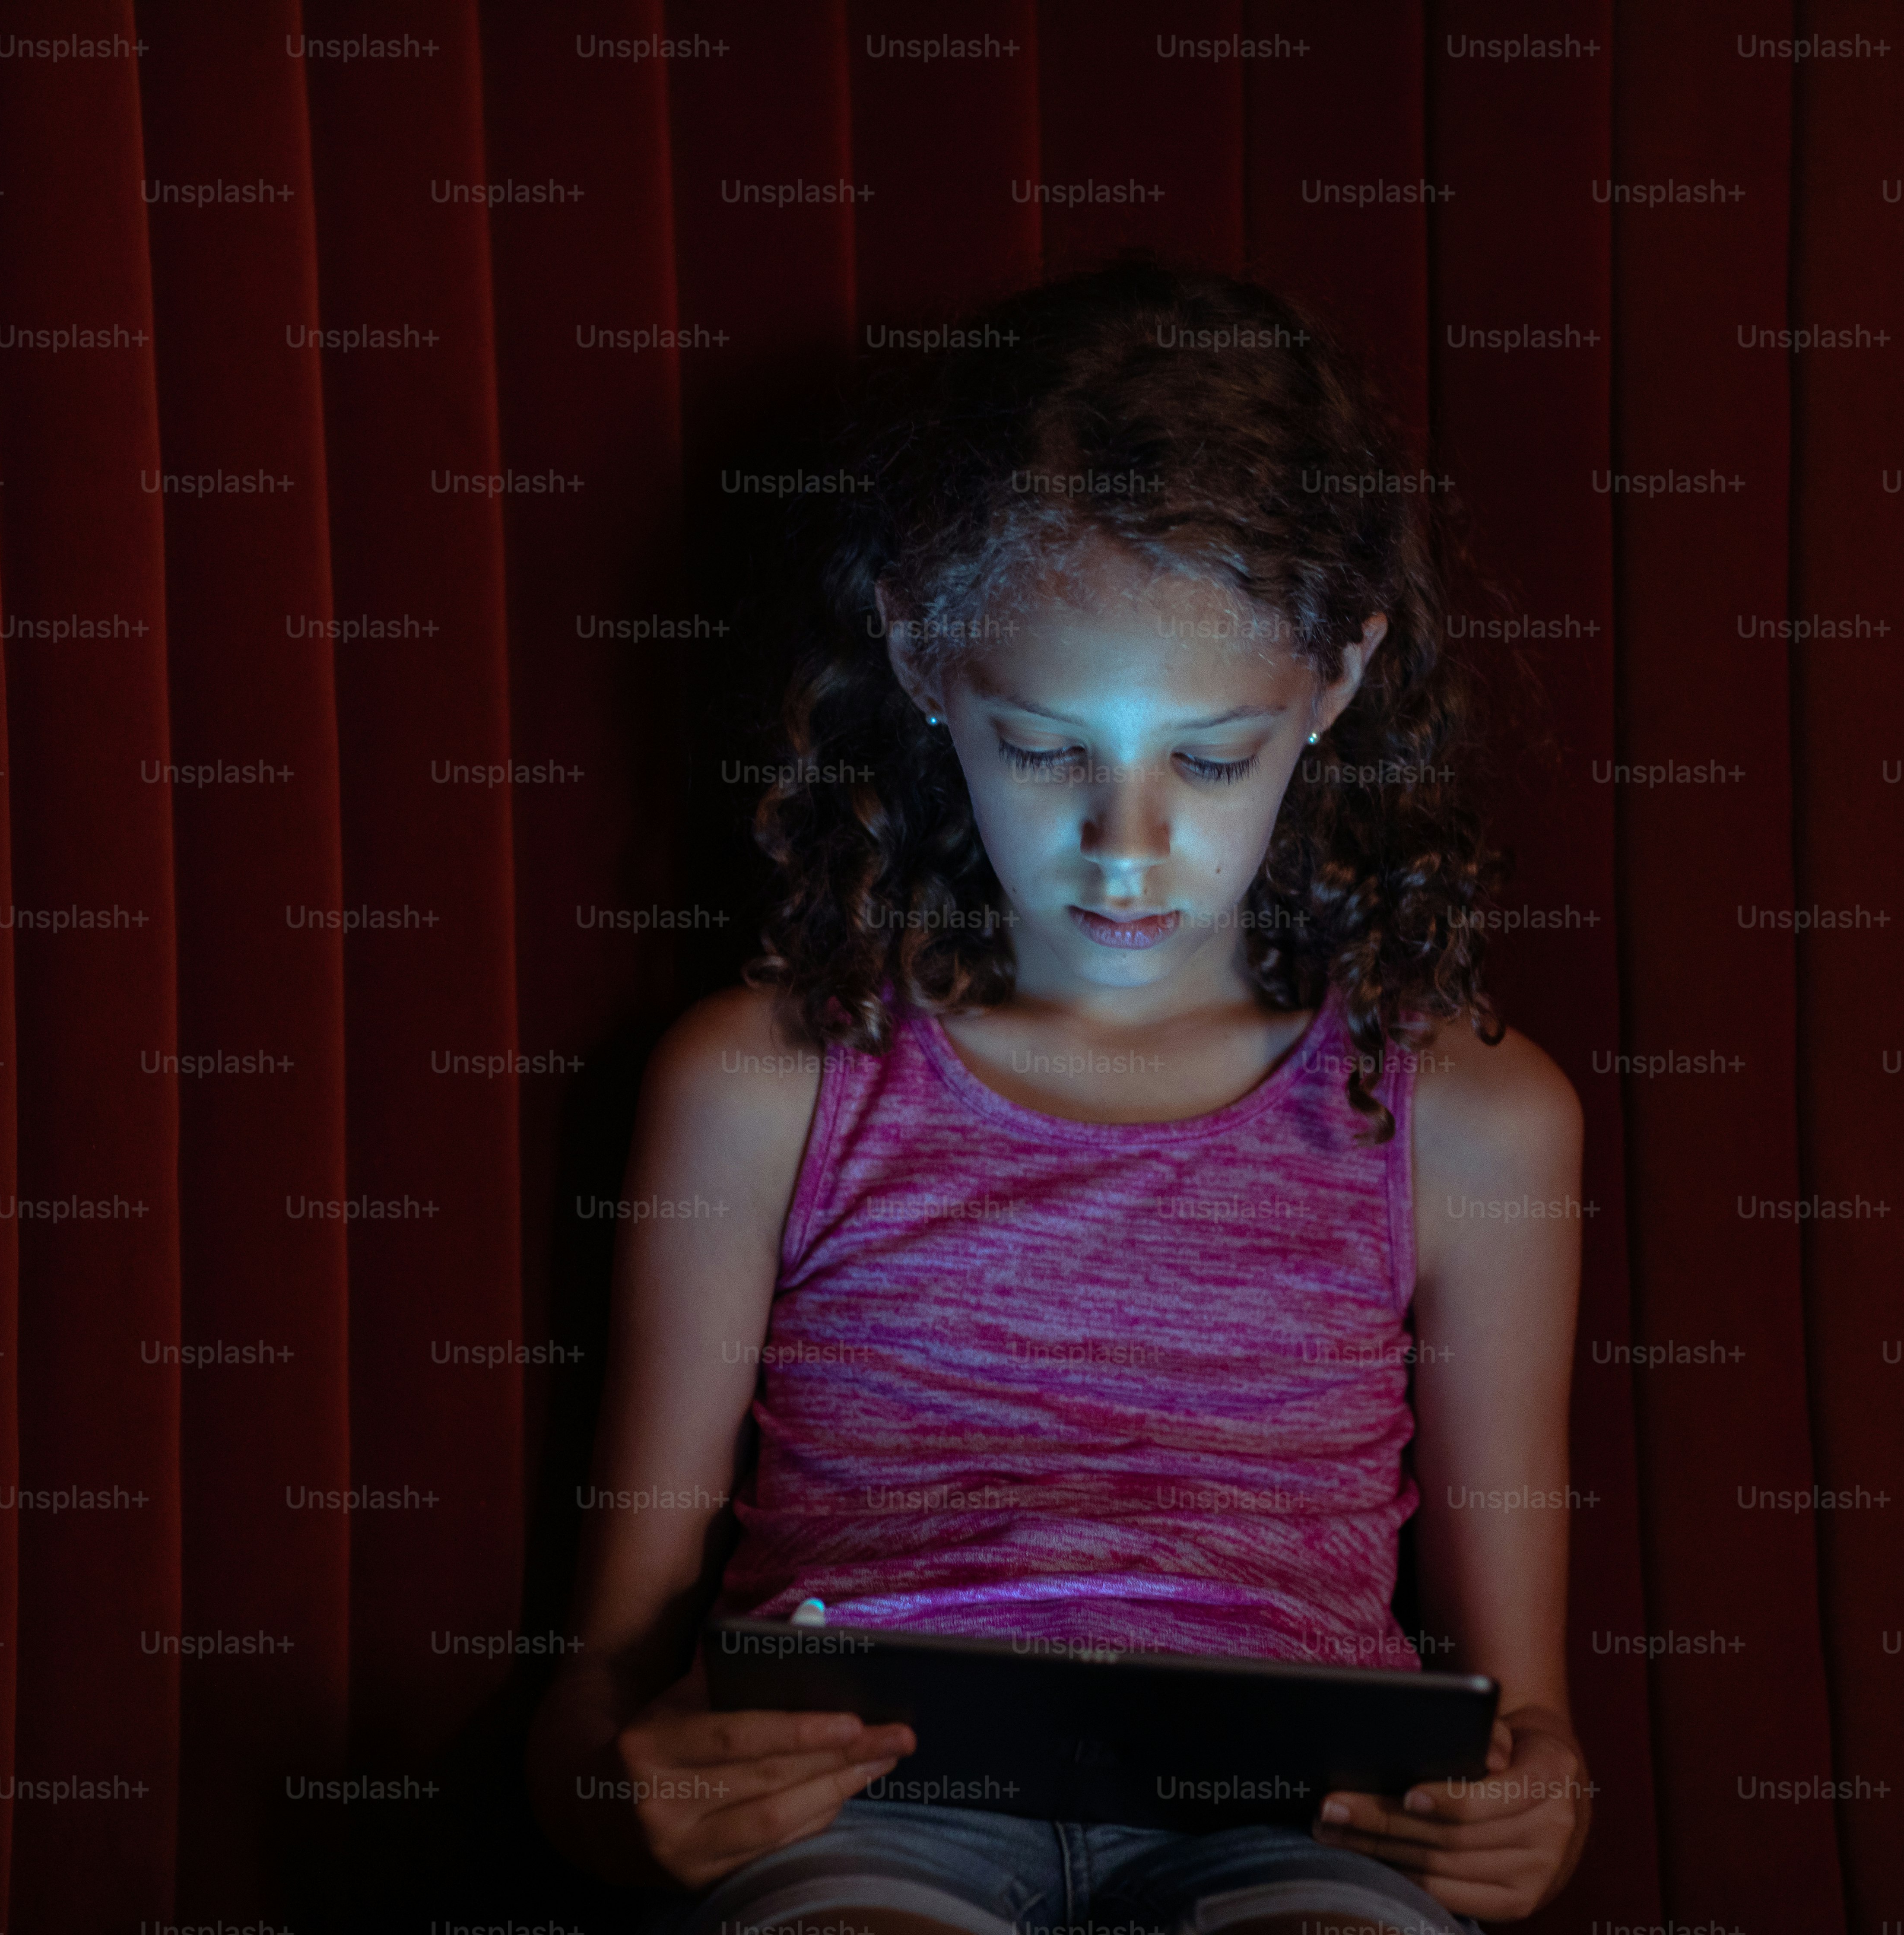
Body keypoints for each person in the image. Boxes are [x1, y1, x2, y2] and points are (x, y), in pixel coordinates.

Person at [526, 259, 1592, 1935]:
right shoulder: (765, 1085)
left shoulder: (1469, 1117)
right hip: (869, 1831)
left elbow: (1526, 1727)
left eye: (1210, 756)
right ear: (926, 657)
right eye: (1047, 749)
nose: (1130, 840)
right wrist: (623, 1796)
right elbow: (599, 1695)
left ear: (1335, 682)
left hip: (1302, 1848)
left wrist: (1529, 1818)